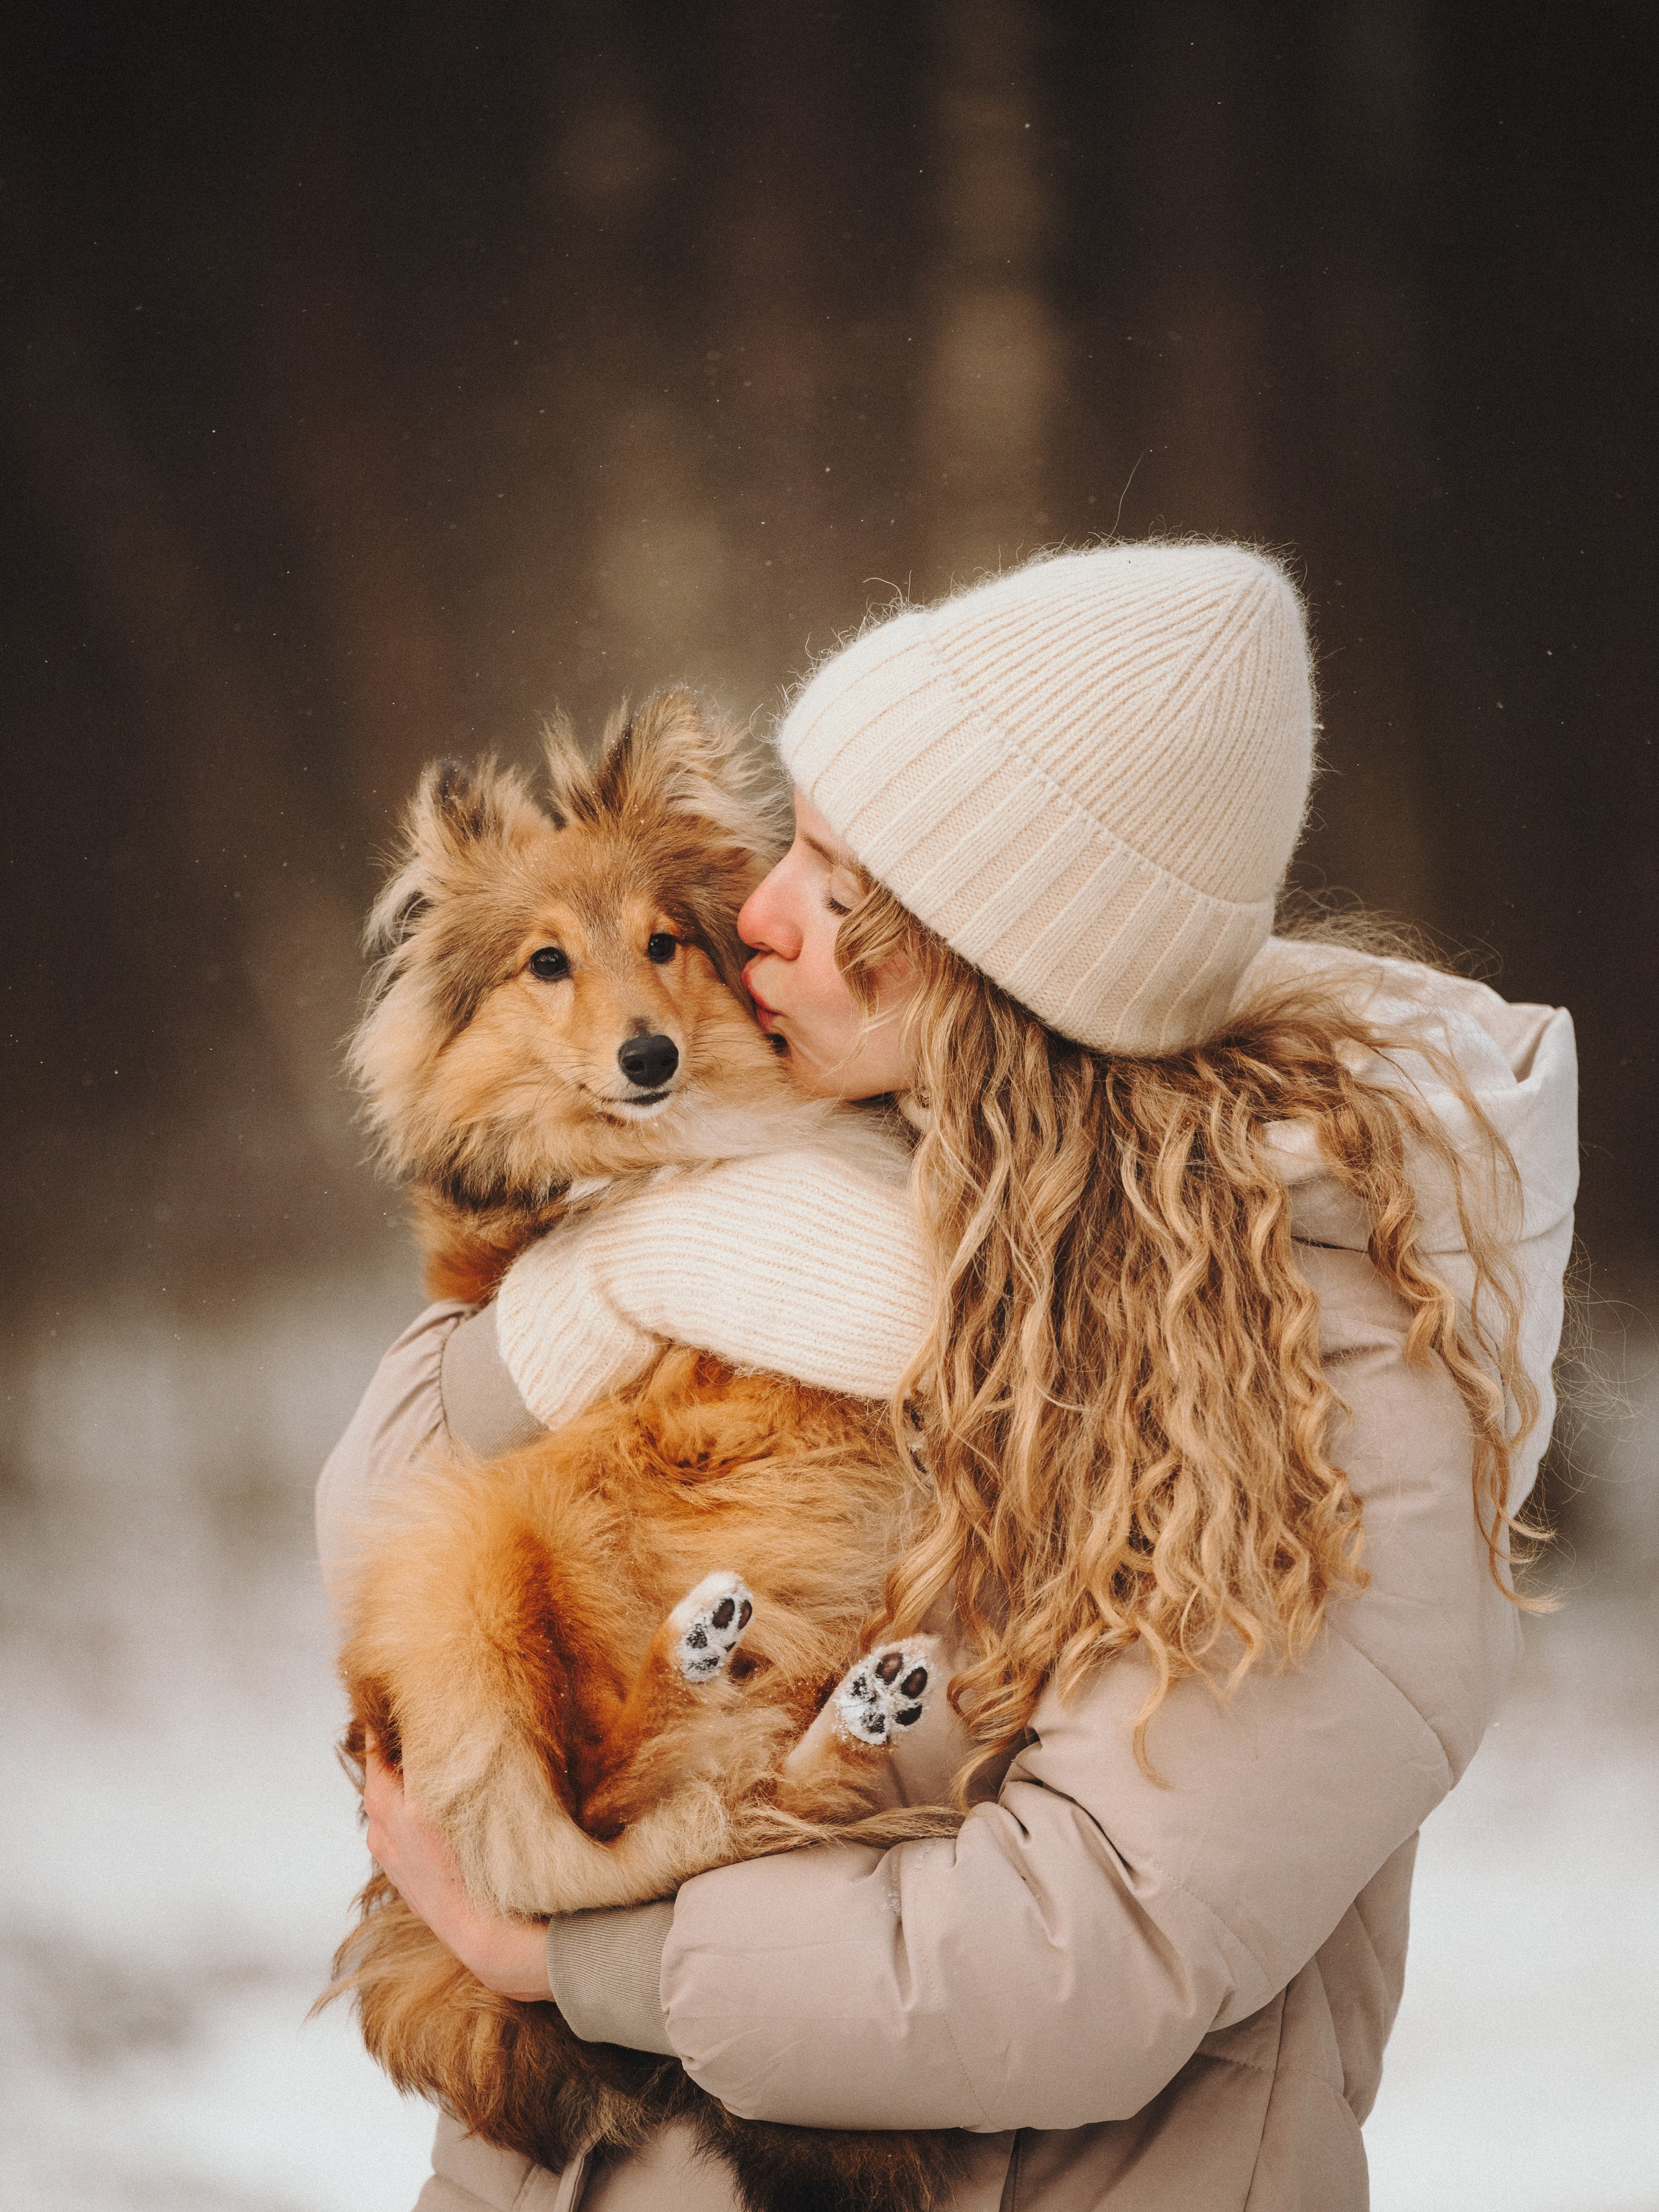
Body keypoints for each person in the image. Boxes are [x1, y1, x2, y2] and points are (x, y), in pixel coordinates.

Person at [316, 543, 1578, 2212]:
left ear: (987, 963)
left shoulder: (1329, 1349)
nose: (749, 909)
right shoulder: (835, 1156)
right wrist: (606, 1286)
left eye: (832, 881)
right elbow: (381, 1535)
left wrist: (565, 1959)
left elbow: (1092, 1941)